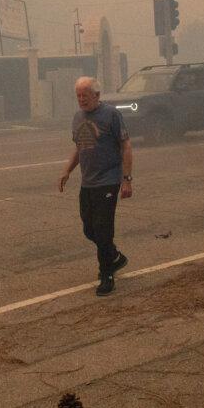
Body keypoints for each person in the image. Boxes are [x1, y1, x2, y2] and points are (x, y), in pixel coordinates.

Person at [58, 76, 133, 296]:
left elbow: (126, 146)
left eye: (85, 95)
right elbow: (79, 148)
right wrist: (66, 171)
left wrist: (126, 179)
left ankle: (107, 274)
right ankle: (115, 257)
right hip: (88, 182)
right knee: (89, 229)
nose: (81, 100)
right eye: (78, 96)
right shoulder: (77, 117)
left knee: (103, 230)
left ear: (97, 95)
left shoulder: (111, 115)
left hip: (108, 180)